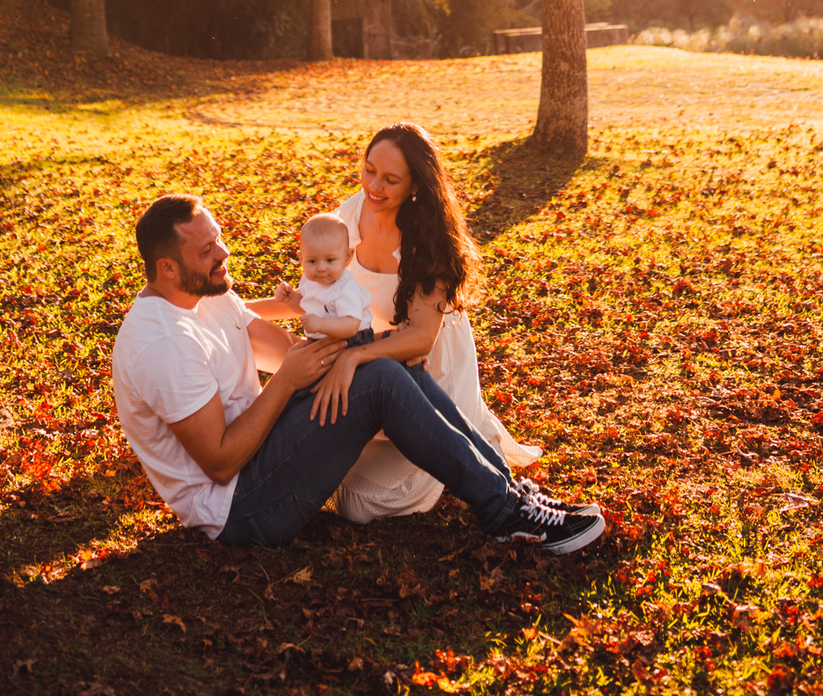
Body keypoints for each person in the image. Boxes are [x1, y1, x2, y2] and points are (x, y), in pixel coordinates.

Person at [111, 193, 606, 554]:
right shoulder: (163, 344)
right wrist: (289, 381)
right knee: (381, 379)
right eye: (206, 252)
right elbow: (218, 462)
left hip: (264, 451)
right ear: (167, 269)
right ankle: (505, 515)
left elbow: (280, 350)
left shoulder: (208, 296)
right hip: (240, 507)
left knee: (387, 360)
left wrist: (359, 347)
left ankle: (512, 497)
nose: (223, 255)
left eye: (217, 239)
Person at [325, 123, 545, 525]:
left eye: (390, 179)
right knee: (332, 477)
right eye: (369, 169)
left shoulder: (427, 237)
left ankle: (464, 446)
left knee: (360, 503)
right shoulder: (350, 213)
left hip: (432, 367)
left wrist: (354, 356)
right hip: (382, 355)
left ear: (414, 185)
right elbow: (325, 287)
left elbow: (422, 338)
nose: (374, 185)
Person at [248, 211, 374, 342]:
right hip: (320, 338)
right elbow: (305, 306)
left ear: (347, 257)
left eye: (330, 260)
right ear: (301, 259)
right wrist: (290, 299)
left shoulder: (346, 289)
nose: (321, 268)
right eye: (312, 261)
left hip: (352, 341)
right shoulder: (309, 280)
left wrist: (320, 324)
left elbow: (351, 326)